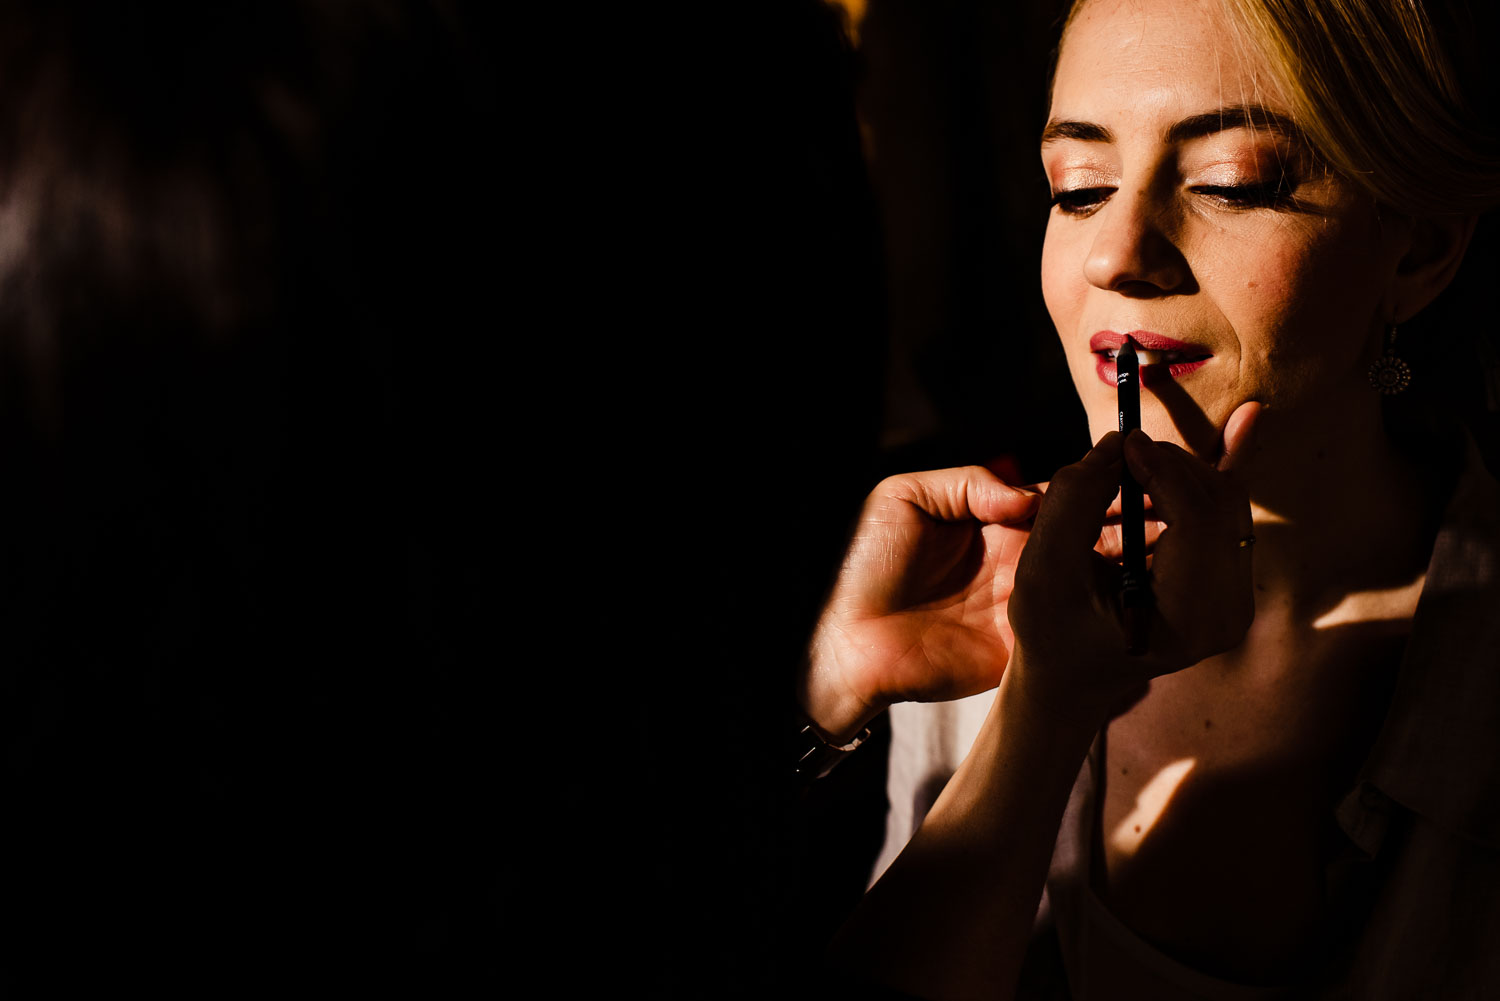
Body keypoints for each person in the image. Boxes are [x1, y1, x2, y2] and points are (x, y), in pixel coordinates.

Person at [794, 0, 1500, 997]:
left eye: (1231, 182)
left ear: (1420, 250)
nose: (1113, 252)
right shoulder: (976, 601)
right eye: (1079, 188)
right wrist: (849, 697)